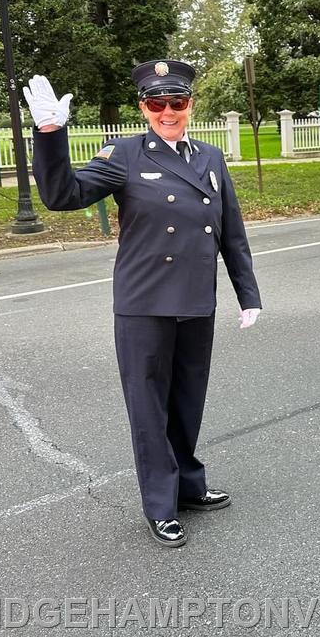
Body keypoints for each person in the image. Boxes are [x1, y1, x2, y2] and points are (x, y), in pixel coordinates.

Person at [25, 60, 262, 549]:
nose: (168, 112)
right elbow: (63, 194)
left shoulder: (211, 158)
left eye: (177, 103)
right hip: (145, 303)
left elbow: (231, 232)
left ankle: (189, 486)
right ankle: (160, 504)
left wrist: (248, 293)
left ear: (190, 105)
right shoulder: (125, 155)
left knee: (187, 400)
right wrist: (50, 135)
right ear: (144, 108)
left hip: (197, 300)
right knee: (149, 408)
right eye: (157, 104)